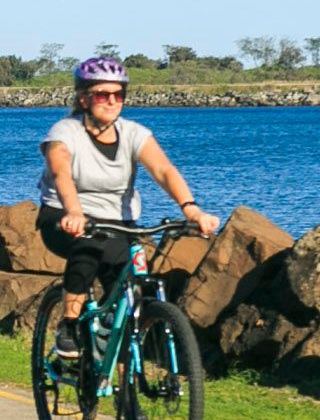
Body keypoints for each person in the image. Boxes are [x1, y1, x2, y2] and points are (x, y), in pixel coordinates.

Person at [38, 56, 217, 353]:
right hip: (64, 215)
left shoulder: (134, 133)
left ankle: (121, 382)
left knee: (133, 286)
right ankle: (68, 326)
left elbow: (164, 171)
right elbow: (61, 172)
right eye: (102, 95)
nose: (111, 101)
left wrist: (191, 209)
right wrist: (74, 211)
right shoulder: (64, 132)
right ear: (84, 99)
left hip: (117, 220)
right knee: (88, 250)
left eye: (118, 95)